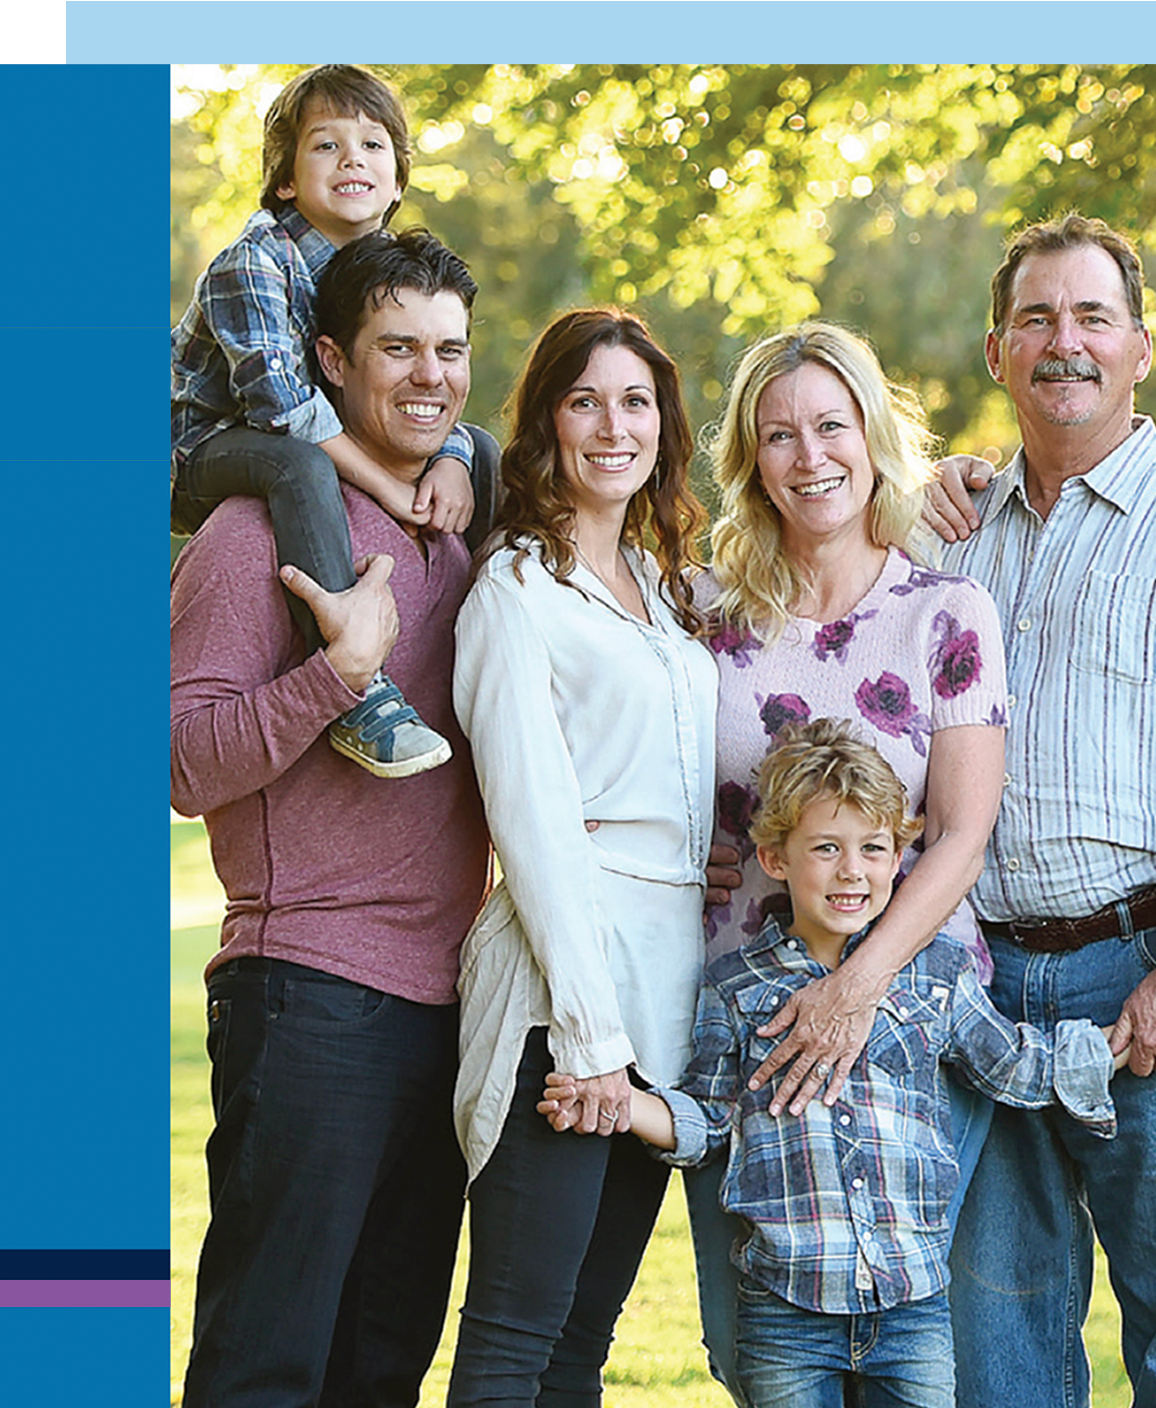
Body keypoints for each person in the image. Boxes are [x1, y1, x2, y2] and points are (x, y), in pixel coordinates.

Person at [545, 720, 1156, 1408]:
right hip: (787, 1311)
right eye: (826, 848)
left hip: (913, 1308)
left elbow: (1018, 1066)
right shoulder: (736, 988)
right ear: (776, 858)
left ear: (898, 855)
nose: (852, 870)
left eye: (873, 848)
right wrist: (623, 1103)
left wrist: (1118, 1040)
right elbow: (711, 1121)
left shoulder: (935, 975)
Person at [926, 213, 1156, 1408]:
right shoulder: (949, 542)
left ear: (1140, 347)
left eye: (1092, 317)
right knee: (1002, 1360)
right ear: (997, 351)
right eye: (1036, 318)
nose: (1064, 342)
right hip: (980, 992)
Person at [170, 226, 492, 1407]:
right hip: (307, 994)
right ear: (328, 361)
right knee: (271, 1363)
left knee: (381, 1364)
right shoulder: (252, 534)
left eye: (449, 350)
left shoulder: (461, 534)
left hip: (451, 1007)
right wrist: (336, 675)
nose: (427, 375)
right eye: (395, 347)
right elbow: (182, 764)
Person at [688, 323, 1010, 1400]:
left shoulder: (945, 613)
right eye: (777, 435)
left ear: (873, 437)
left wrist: (856, 988)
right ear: (749, 460)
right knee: (757, 1352)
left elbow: (962, 828)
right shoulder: (707, 616)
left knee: (903, 1349)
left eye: (831, 425)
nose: (809, 455)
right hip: (750, 1020)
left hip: (909, 1015)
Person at [444, 309, 718, 1407]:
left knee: (580, 1346)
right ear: (547, 421)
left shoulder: (663, 591)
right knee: (517, 1332)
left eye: (636, 401)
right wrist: (592, 1042)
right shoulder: (515, 591)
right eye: (585, 400)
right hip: (563, 1003)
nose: (614, 426)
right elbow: (537, 829)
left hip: (660, 995)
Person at [172, 62, 498, 778]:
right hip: (201, 449)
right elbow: (285, 413)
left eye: (373, 144)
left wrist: (455, 452)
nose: (353, 158)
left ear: (398, 177)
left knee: (481, 445)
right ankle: (358, 686)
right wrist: (387, 487)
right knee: (299, 465)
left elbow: (423, 390)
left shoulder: (376, 273)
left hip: (292, 440)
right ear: (285, 180)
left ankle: (496, 631)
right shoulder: (252, 262)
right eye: (326, 145)